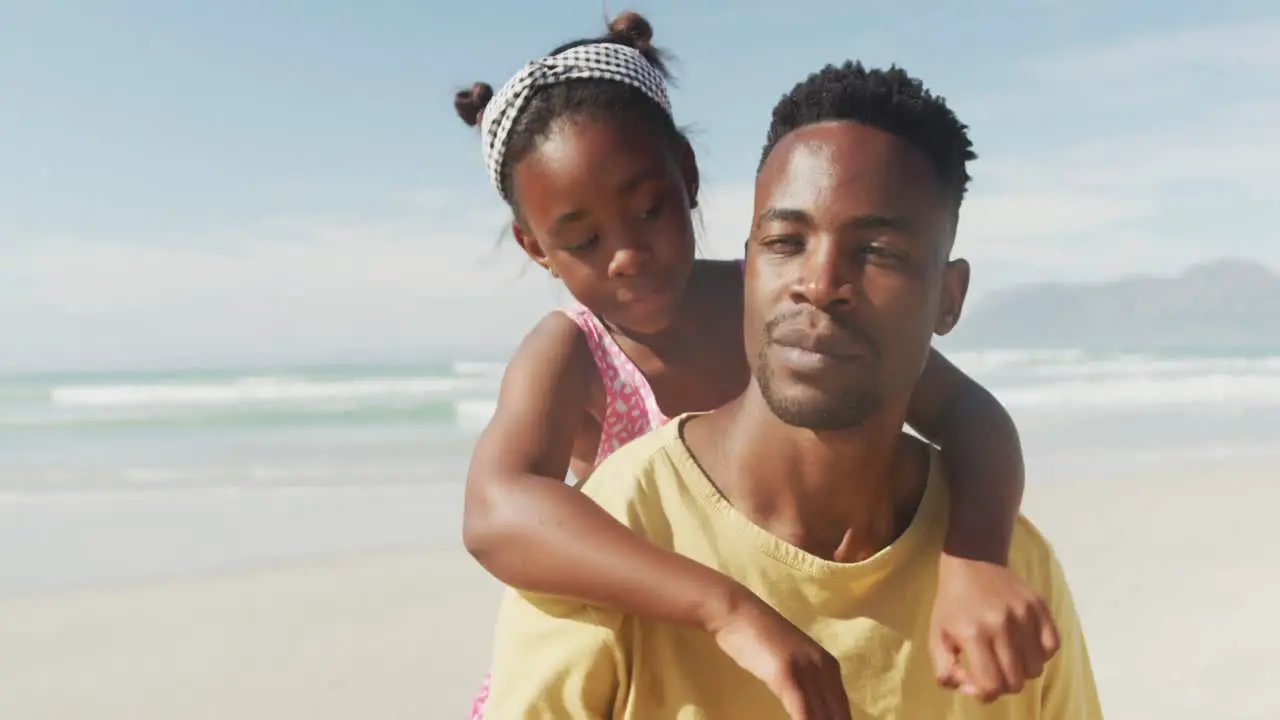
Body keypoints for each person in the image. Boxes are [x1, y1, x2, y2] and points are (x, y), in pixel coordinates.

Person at [457, 13, 1059, 718]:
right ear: (536, 249)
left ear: (687, 175)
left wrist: (976, 562)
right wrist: (726, 609)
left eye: (649, 209)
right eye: (584, 238)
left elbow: (971, 416)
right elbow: (496, 512)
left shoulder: (784, 304)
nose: (627, 253)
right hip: (664, 656)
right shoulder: (571, 352)